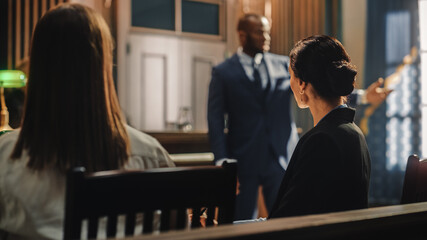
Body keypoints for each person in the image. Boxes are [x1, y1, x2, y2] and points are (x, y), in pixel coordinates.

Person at [0, 3, 175, 239]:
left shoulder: (6, 157)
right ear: (102, 67)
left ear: (38, 67)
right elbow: (180, 230)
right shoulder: (151, 157)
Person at [208, 13, 387, 221]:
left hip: (281, 157)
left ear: (300, 82)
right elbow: (215, 119)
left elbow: (323, 78)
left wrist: (364, 96)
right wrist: (223, 162)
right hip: (244, 157)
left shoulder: (287, 65)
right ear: (242, 35)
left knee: (286, 210)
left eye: (268, 32)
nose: (266, 37)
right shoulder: (223, 72)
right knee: (240, 214)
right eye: (260, 32)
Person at [268, 35, 371, 219]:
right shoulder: (354, 133)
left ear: (301, 84)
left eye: (290, 76)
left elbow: (286, 222)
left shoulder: (321, 140)